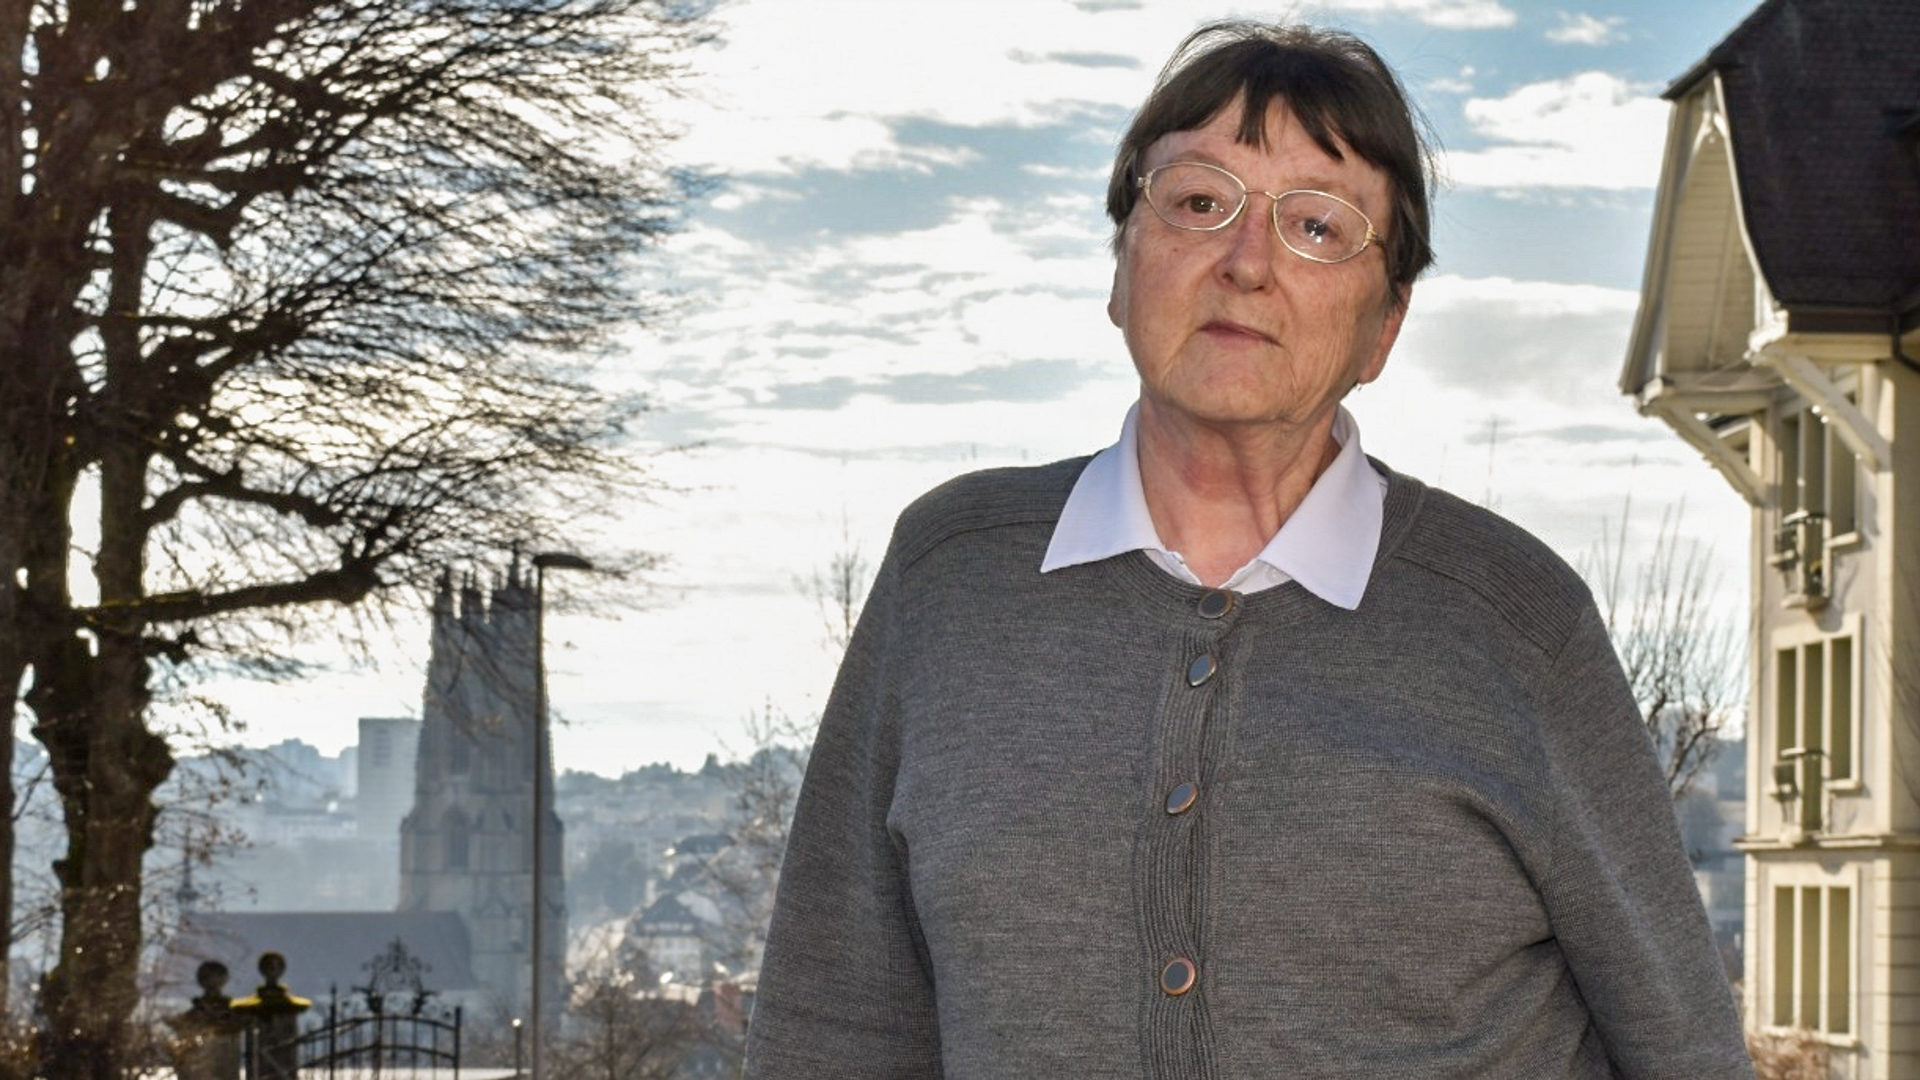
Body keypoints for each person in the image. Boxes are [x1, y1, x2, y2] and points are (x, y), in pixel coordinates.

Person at [744, 20, 1753, 1080]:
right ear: (1123, 267)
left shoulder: (1514, 623)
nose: (1247, 262)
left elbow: (1683, 1046)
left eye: (1319, 227)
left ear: (1385, 326)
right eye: (1196, 202)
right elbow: (831, 1024)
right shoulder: (950, 577)